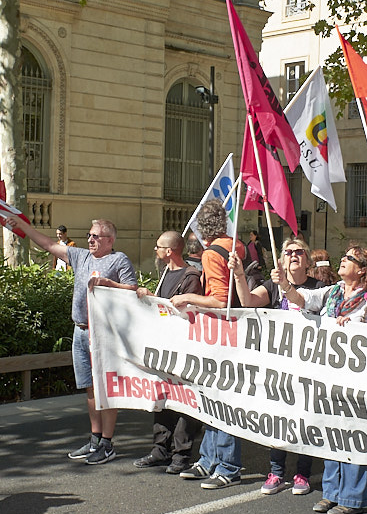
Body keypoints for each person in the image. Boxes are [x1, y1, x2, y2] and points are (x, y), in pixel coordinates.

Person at [15, 216, 137, 464]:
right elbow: (49, 244)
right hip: (80, 331)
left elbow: (133, 291)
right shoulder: (81, 257)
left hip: (104, 334)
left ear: (109, 240)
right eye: (89, 235)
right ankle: (94, 438)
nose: (90, 239)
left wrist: (108, 283)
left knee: (106, 388)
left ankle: (107, 443)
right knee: (90, 388)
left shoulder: (118, 260)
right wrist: (22, 226)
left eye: (96, 236)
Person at [281, 243, 367, 514]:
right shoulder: (332, 292)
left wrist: (355, 330)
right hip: (329, 376)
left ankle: (352, 497)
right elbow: (303, 300)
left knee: (353, 435)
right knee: (331, 432)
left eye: (349, 259)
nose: (342, 260)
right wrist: (285, 285)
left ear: (362, 270)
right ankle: (331, 492)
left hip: (356, 380)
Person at [229, 238, 319, 496]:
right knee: (279, 418)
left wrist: (286, 286)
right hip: (279, 365)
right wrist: (238, 274)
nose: (293, 255)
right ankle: (276, 472)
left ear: (307, 260)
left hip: (308, 365)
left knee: (304, 419)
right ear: (281, 261)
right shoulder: (272, 287)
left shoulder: (319, 287)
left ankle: (302, 472)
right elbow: (247, 302)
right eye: (287, 252)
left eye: (298, 251)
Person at [174, 200, 247, 489]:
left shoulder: (211, 254)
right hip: (236, 332)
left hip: (221, 334)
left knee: (220, 401)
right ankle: (209, 460)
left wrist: (187, 298)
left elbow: (219, 299)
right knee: (214, 401)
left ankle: (226, 466)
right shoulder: (236, 245)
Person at [123, 231, 203, 473]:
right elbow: (164, 306)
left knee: (184, 402)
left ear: (170, 251)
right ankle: (160, 450)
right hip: (164, 348)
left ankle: (181, 454)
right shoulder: (166, 272)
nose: (155, 250)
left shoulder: (191, 277)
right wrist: (152, 298)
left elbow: (189, 311)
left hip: (184, 349)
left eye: (158, 247)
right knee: (162, 400)